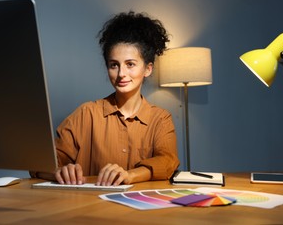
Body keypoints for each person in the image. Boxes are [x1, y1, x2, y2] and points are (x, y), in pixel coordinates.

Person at [35, 11, 179, 186]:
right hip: (90, 209)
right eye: (114, 65)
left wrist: (130, 175)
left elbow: (167, 161)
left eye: (130, 64)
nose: (121, 74)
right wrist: (60, 171)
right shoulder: (86, 113)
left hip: (140, 211)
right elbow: (41, 163)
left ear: (148, 69)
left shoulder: (160, 119)